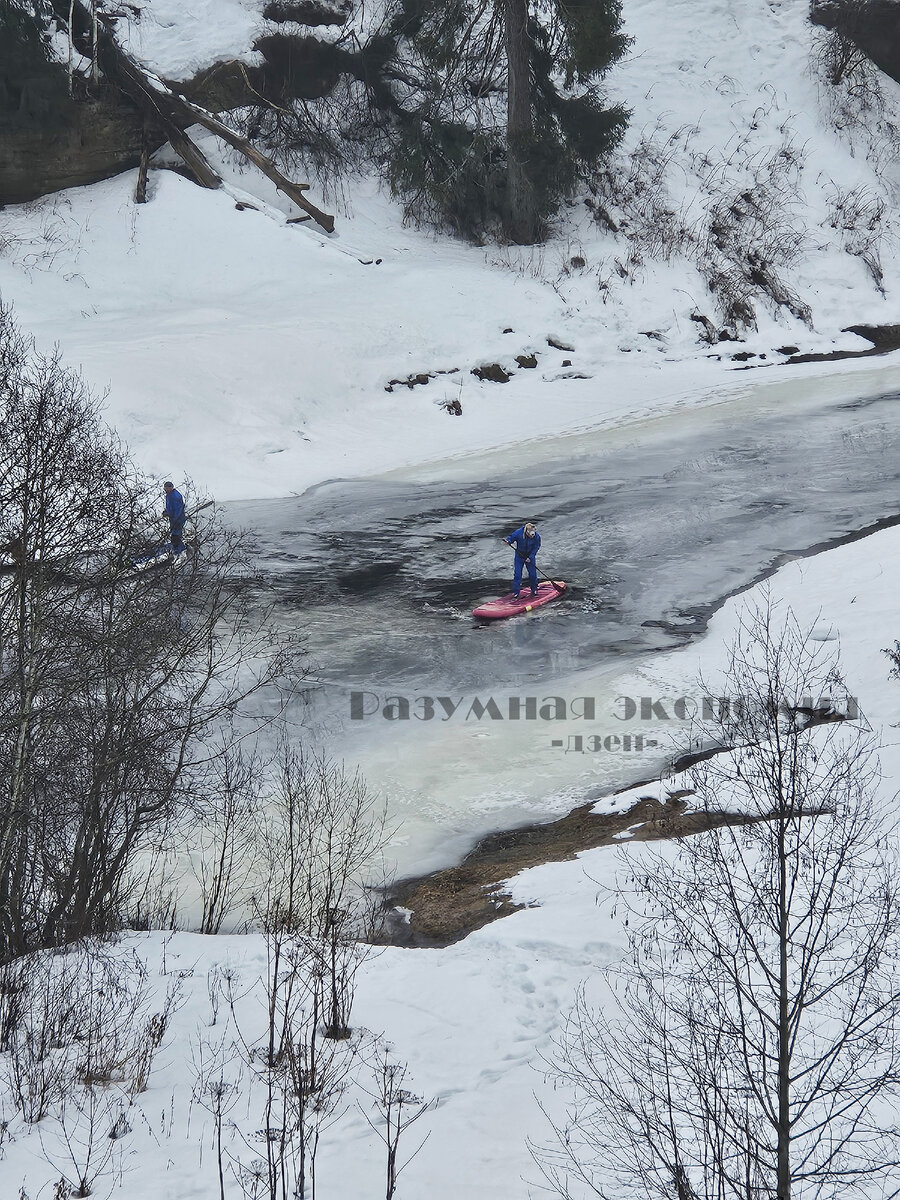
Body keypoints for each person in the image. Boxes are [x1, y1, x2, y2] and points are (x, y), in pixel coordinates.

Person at [503, 521, 541, 598]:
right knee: (517, 574)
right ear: (527, 532)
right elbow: (511, 537)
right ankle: (516, 592)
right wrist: (508, 541)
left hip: (530, 556)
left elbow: (536, 547)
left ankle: (534, 589)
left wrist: (530, 557)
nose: (532, 537)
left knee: (533, 574)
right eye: (530, 535)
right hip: (519, 555)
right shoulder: (519, 533)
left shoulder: (537, 537)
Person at [163, 481, 186, 553]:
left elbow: (178, 509)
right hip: (173, 518)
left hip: (178, 519)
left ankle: (179, 550)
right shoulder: (169, 495)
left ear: (171, 488)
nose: (166, 490)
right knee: (173, 533)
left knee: (176, 535)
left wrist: (176, 520)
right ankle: (177, 547)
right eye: (165, 488)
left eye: (167, 488)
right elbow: (170, 506)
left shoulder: (176, 496)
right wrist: (166, 511)